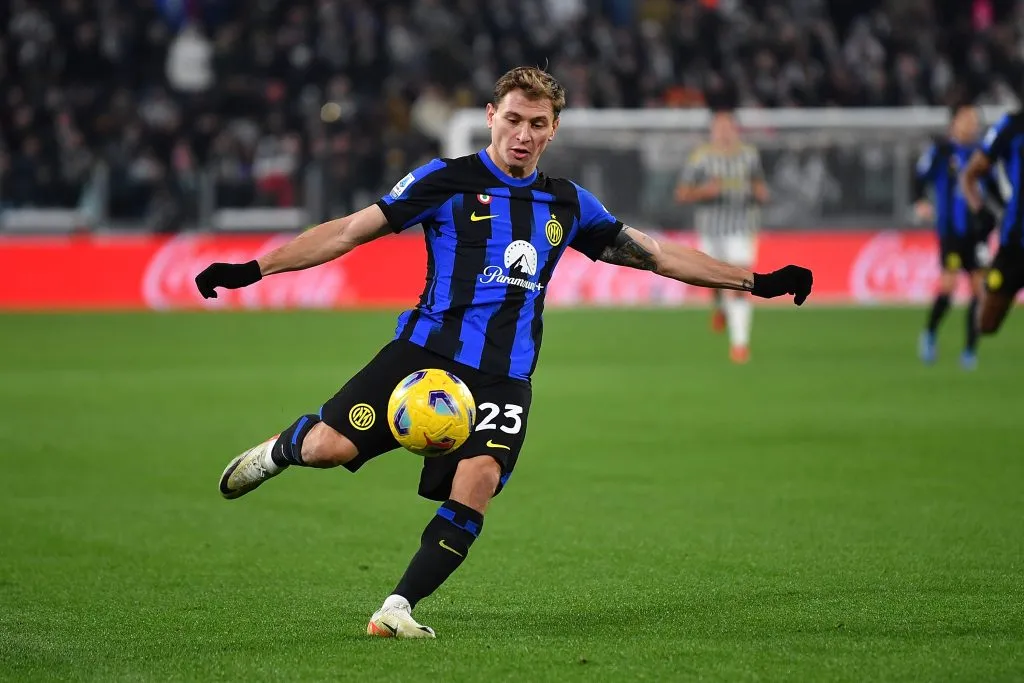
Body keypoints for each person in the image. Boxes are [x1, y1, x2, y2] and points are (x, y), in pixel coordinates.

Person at [194, 67, 813, 639]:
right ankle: (280, 451)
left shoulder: (567, 203)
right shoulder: (445, 180)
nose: (523, 134)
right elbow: (350, 230)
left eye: (537, 124)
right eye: (513, 119)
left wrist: (754, 282)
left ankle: (397, 608)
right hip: (421, 355)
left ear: (553, 130)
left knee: (479, 480)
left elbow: (656, 254)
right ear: (491, 115)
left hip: (504, 376)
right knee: (329, 448)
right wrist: (254, 268)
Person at [674, 108, 770, 364]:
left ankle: (739, 344)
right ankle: (720, 307)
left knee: (740, 282)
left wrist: (760, 194)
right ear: (713, 131)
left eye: (728, 127)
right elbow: (682, 193)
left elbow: (761, 187)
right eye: (720, 128)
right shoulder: (701, 158)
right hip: (711, 230)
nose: (724, 133)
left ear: (735, 130)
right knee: (715, 282)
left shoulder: (749, 156)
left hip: (742, 227)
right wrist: (704, 191)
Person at [913, 103, 1000, 369]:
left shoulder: (982, 155)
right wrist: (919, 200)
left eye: (974, 120)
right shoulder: (941, 152)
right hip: (951, 232)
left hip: (977, 235)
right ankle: (929, 333)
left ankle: (970, 351)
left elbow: (995, 189)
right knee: (948, 287)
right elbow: (918, 177)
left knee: (979, 291)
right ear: (954, 123)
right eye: (966, 119)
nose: (971, 124)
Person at [961, 109, 1023, 337]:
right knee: (986, 324)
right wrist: (980, 211)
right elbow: (970, 174)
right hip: (1015, 244)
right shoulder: (1011, 126)